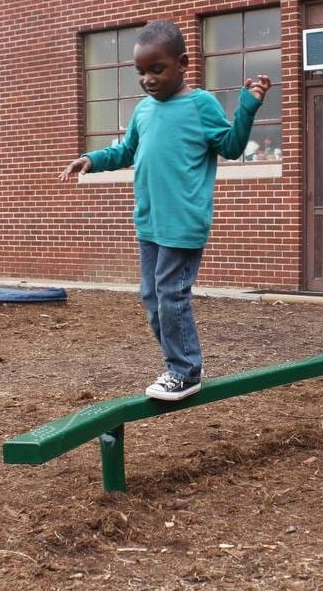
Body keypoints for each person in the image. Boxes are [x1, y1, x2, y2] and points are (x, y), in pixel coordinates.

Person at [58, 20, 271, 401]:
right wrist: (91, 159)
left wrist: (248, 108)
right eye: (141, 72)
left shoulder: (200, 104)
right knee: (153, 299)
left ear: (183, 63)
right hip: (149, 222)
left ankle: (184, 372)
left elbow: (231, 146)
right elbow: (125, 151)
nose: (148, 79)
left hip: (183, 222)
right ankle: (186, 360)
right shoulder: (143, 111)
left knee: (171, 295)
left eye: (157, 69)